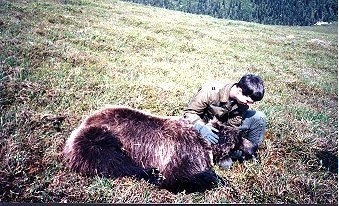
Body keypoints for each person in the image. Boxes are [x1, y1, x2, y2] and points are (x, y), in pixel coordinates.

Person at [183, 74, 266, 169]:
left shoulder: (242, 102)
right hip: (206, 126)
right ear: (240, 91)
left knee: (259, 117)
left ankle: (250, 152)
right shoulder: (209, 91)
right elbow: (189, 112)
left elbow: (232, 124)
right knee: (226, 165)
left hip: (223, 127)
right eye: (247, 101)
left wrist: (234, 143)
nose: (248, 105)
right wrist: (201, 127)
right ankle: (221, 154)